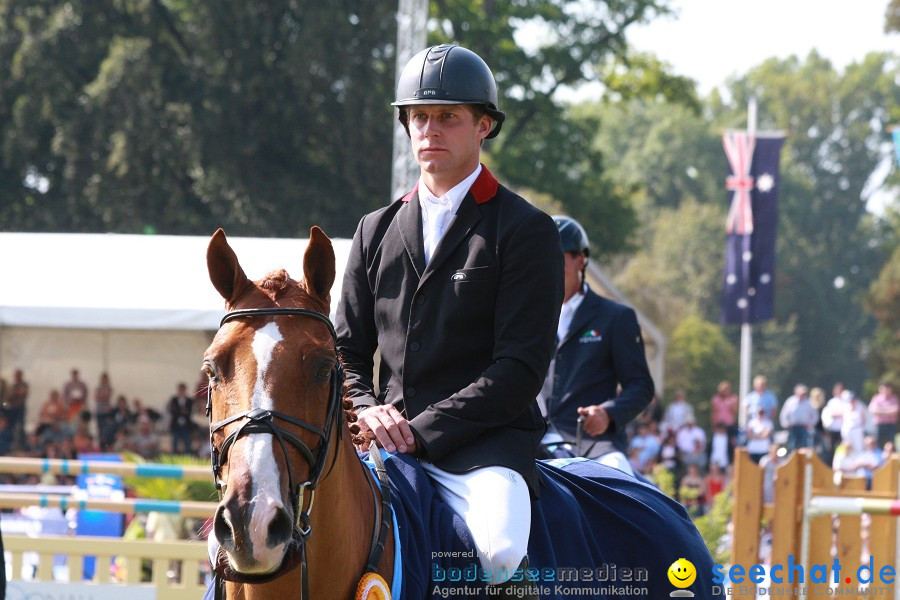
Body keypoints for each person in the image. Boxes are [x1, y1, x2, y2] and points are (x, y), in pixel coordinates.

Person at [335, 44, 564, 597]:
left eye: (448, 117)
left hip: (482, 447)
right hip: (380, 440)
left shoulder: (526, 230)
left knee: (500, 548)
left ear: (484, 125)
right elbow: (343, 349)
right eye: (419, 117)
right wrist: (370, 412)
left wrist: (420, 430)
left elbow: (519, 369)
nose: (429, 130)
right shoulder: (374, 229)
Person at [537, 215, 654, 475]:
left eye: (558, 257)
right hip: (530, 438)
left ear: (581, 260)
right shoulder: (524, 316)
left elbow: (641, 386)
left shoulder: (615, 317)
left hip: (594, 444)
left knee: (621, 485)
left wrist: (608, 414)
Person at [779, 384, 818, 452]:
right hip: (793, 428)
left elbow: (815, 416)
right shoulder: (790, 401)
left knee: (804, 447)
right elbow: (784, 415)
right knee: (792, 446)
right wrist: (786, 424)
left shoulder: (809, 403)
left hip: (804, 428)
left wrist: (810, 424)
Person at [868, 382, 899, 449]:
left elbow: (895, 411)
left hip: (890, 425)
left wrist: (880, 410)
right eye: (884, 389)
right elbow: (872, 410)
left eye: (887, 389)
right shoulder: (876, 398)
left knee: (891, 444)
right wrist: (888, 410)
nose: (885, 391)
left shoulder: (894, 399)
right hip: (879, 425)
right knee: (878, 443)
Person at [167, 382, 194, 454]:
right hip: (176, 425)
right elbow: (172, 411)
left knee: (187, 441)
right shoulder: (174, 399)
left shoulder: (189, 400)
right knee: (175, 441)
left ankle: (187, 455)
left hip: (186, 425)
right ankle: (174, 455)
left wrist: (179, 410)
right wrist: (182, 410)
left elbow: (189, 412)